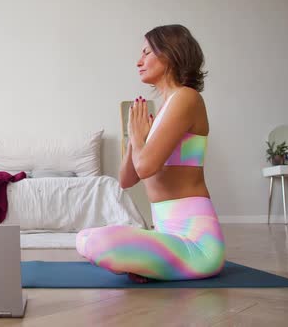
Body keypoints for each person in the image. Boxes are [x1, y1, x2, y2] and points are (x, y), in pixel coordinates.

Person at [76, 24, 225, 283]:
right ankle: (149, 262)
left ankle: (146, 262)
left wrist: (136, 135)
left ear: (168, 54)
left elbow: (145, 169)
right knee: (84, 237)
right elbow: (126, 180)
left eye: (146, 52)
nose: (139, 61)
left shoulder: (186, 98)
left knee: (101, 243)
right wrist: (136, 139)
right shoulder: (165, 108)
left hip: (198, 244)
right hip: (167, 235)